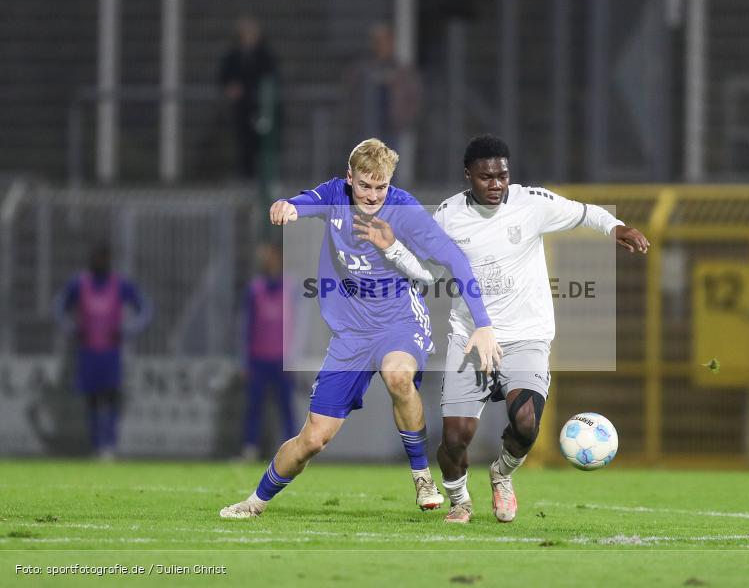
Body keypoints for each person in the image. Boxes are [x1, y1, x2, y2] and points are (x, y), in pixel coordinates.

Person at [353, 135, 650, 523]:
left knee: (526, 422)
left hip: (527, 335)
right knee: (455, 439)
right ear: (468, 176)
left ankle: (502, 474)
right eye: (485, 177)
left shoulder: (533, 203)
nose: (496, 184)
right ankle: (460, 500)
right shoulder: (448, 214)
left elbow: (585, 213)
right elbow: (425, 271)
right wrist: (391, 248)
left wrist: (617, 227)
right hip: (469, 338)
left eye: (502, 176)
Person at [220, 138, 502, 519]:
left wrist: (482, 325)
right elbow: (303, 202)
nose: (372, 196)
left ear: (390, 183)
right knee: (314, 439)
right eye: (365, 186)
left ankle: (422, 478)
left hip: (399, 321)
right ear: (349, 177)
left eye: (380, 187)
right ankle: (254, 502)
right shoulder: (335, 195)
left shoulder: (404, 210)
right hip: (351, 334)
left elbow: (456, 261)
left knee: (398, 374)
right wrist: (287, 206)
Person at [53, 243, 151, 459]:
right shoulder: (79, 283)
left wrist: (128, 330)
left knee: (111, 399)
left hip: (111, 353)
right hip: (88, 353)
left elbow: (145, 309)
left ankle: (109, 446)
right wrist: (71, 329)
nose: (100, 262)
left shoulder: (120, 284)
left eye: (103, 258)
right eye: (96, 258)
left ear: (109, 260)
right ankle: (97, 446)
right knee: (92, 401)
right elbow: (59, 307)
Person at [239, 242, 298, 461]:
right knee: (254, 406)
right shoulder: (255, 289)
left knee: (286, 408)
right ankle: (250, 448)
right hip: (258, 357)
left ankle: (294, 452)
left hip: (282, 358)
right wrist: (246, 359)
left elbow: (298, 324)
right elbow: (247, 326)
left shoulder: (290, 288)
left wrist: (294, 356)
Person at [344, 24, 422, 157]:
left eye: (384, 41)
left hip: (391, 128)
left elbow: (414, 98)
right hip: (364, 129)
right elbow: (350, 94)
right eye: (377, 41)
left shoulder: (403, 72)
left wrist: (403, 119)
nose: (380, 45)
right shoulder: (361, 70)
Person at [218, 15, 280, 179]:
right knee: (242, 140)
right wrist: (231, 87)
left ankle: (262, 175)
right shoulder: (234, 55)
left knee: (261, 141)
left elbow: (270, 77)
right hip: (241, 108)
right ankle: (245, 174)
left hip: (260, 106)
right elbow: (224, 76)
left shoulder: (264, 55)